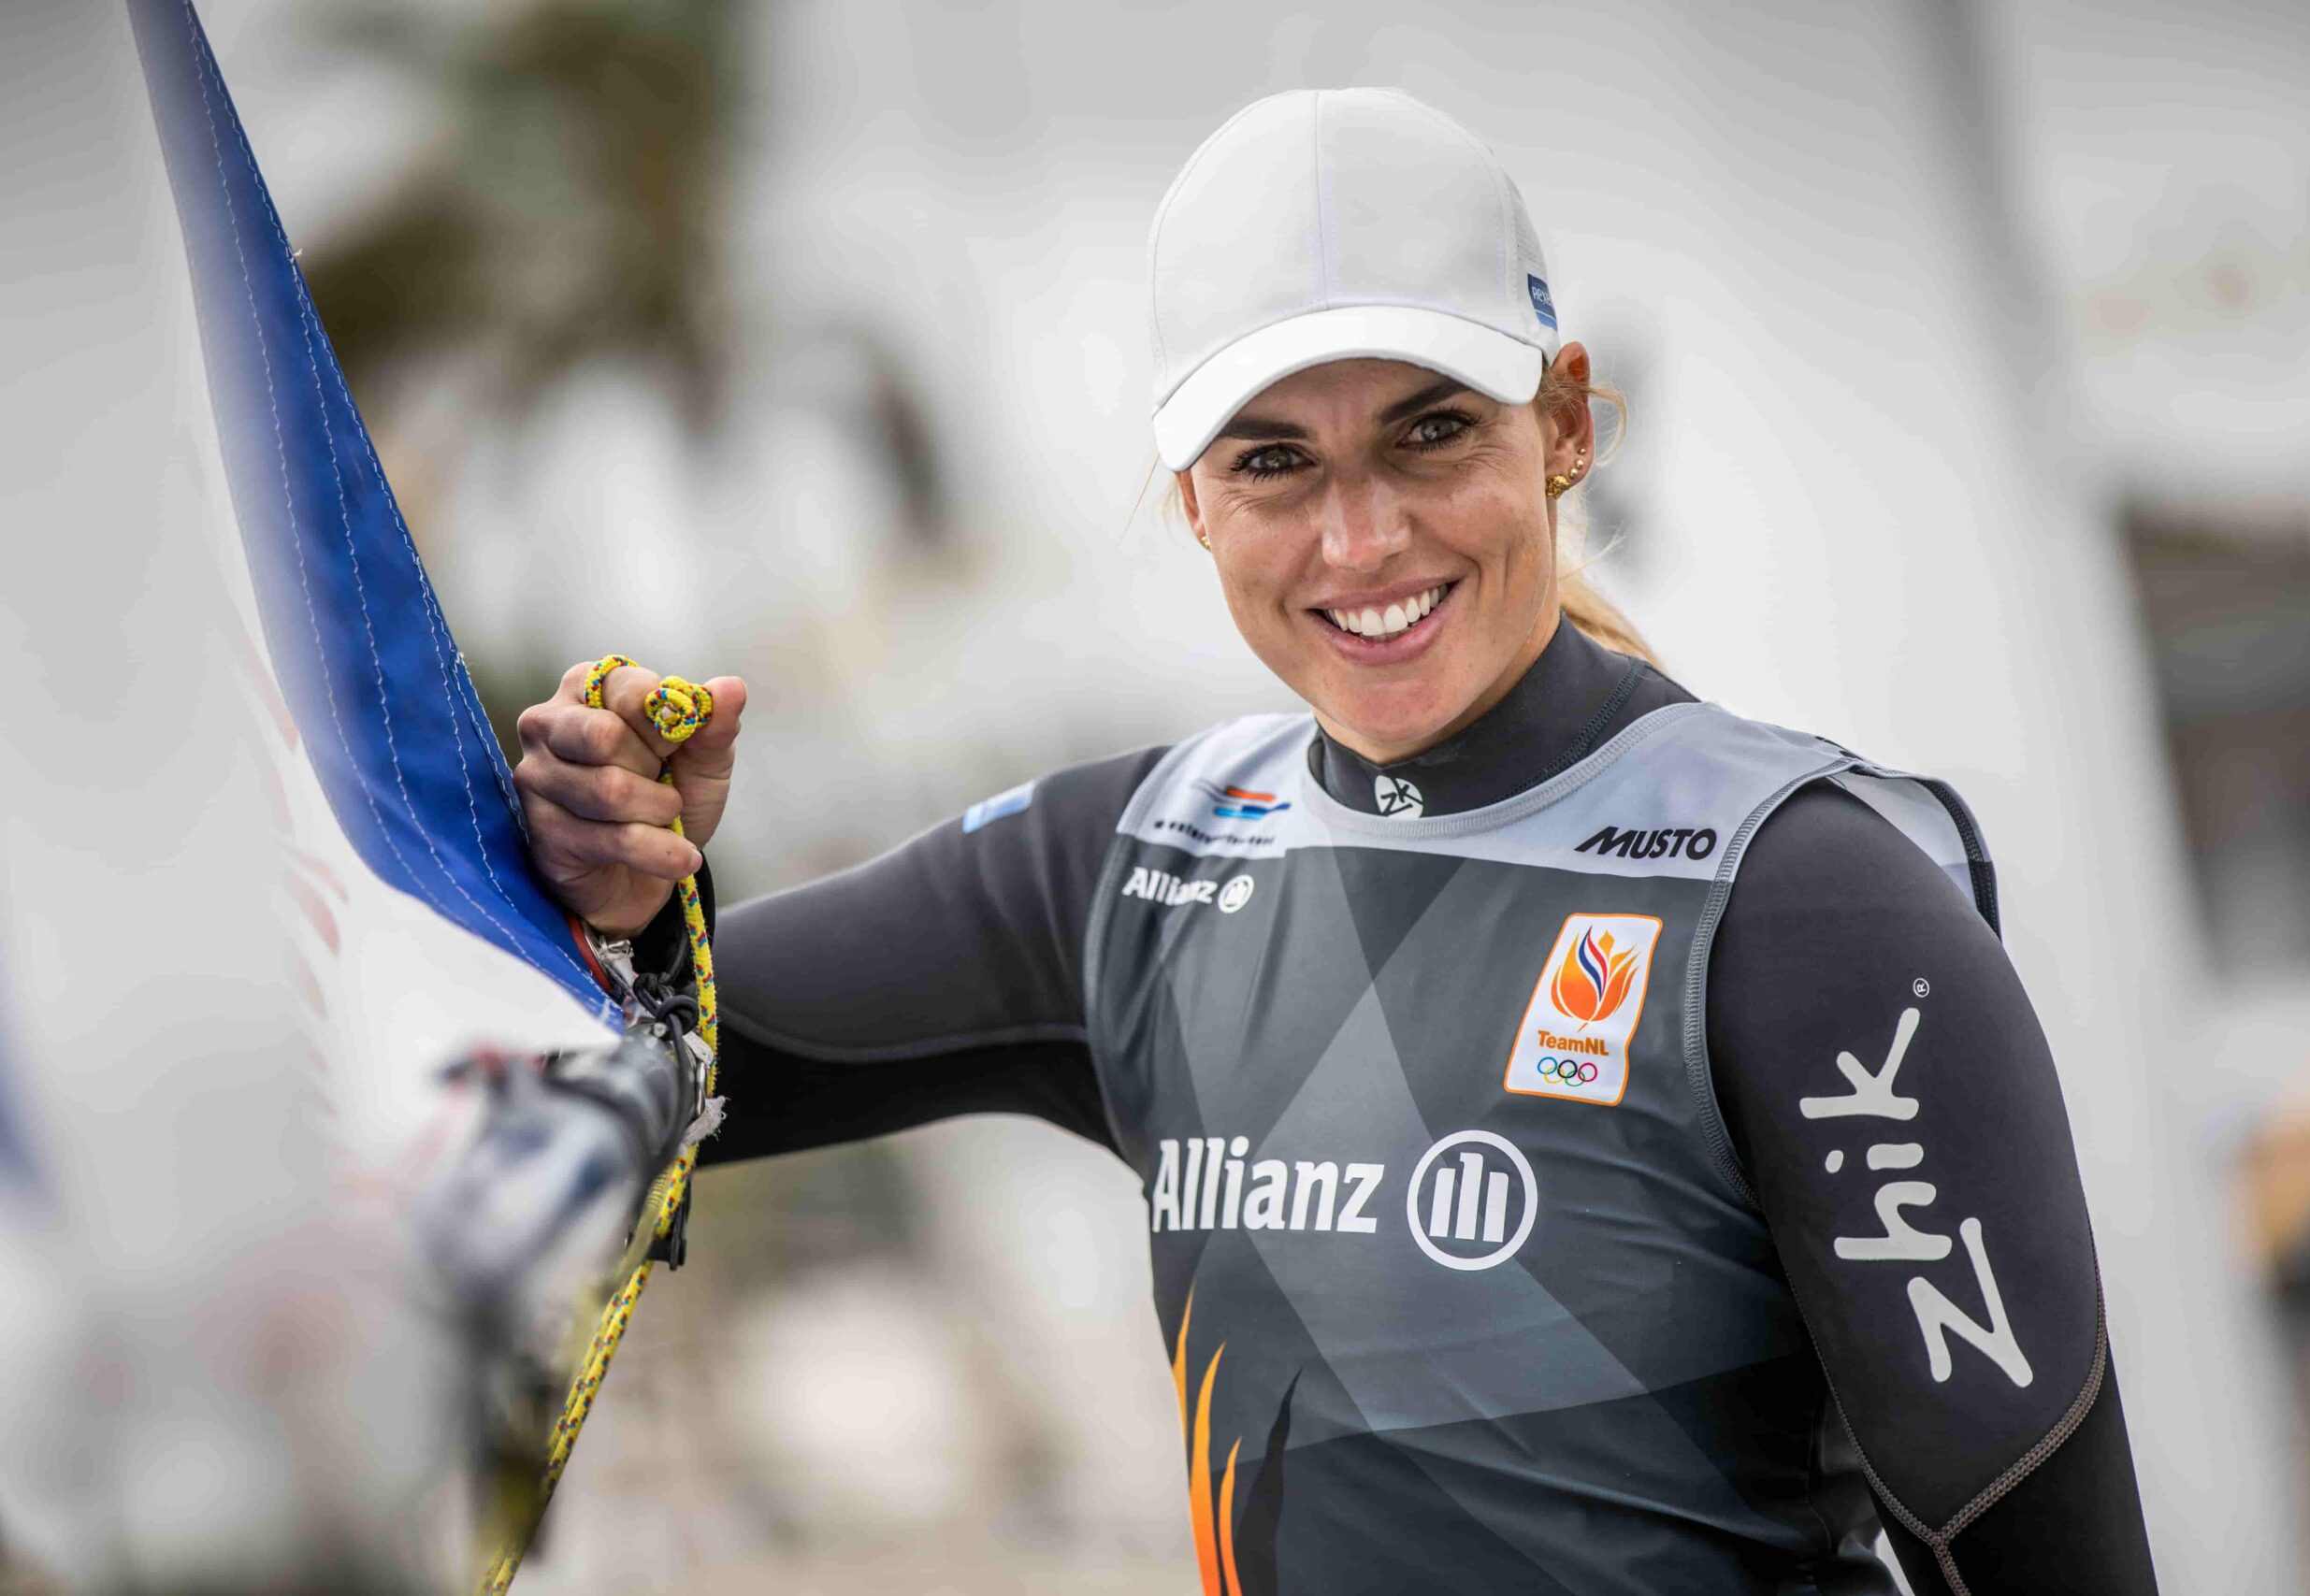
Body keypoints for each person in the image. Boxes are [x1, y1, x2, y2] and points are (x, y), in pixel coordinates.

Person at [512, 89, 2158, 1596]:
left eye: (1430, 431)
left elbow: (2031, 1546)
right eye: (1276, 462)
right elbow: (646, 1055)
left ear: (1566, 423)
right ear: (1194, 497)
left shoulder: (1806, 906)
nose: (1360, 539)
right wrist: (627, 881)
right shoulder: (1128, 871)